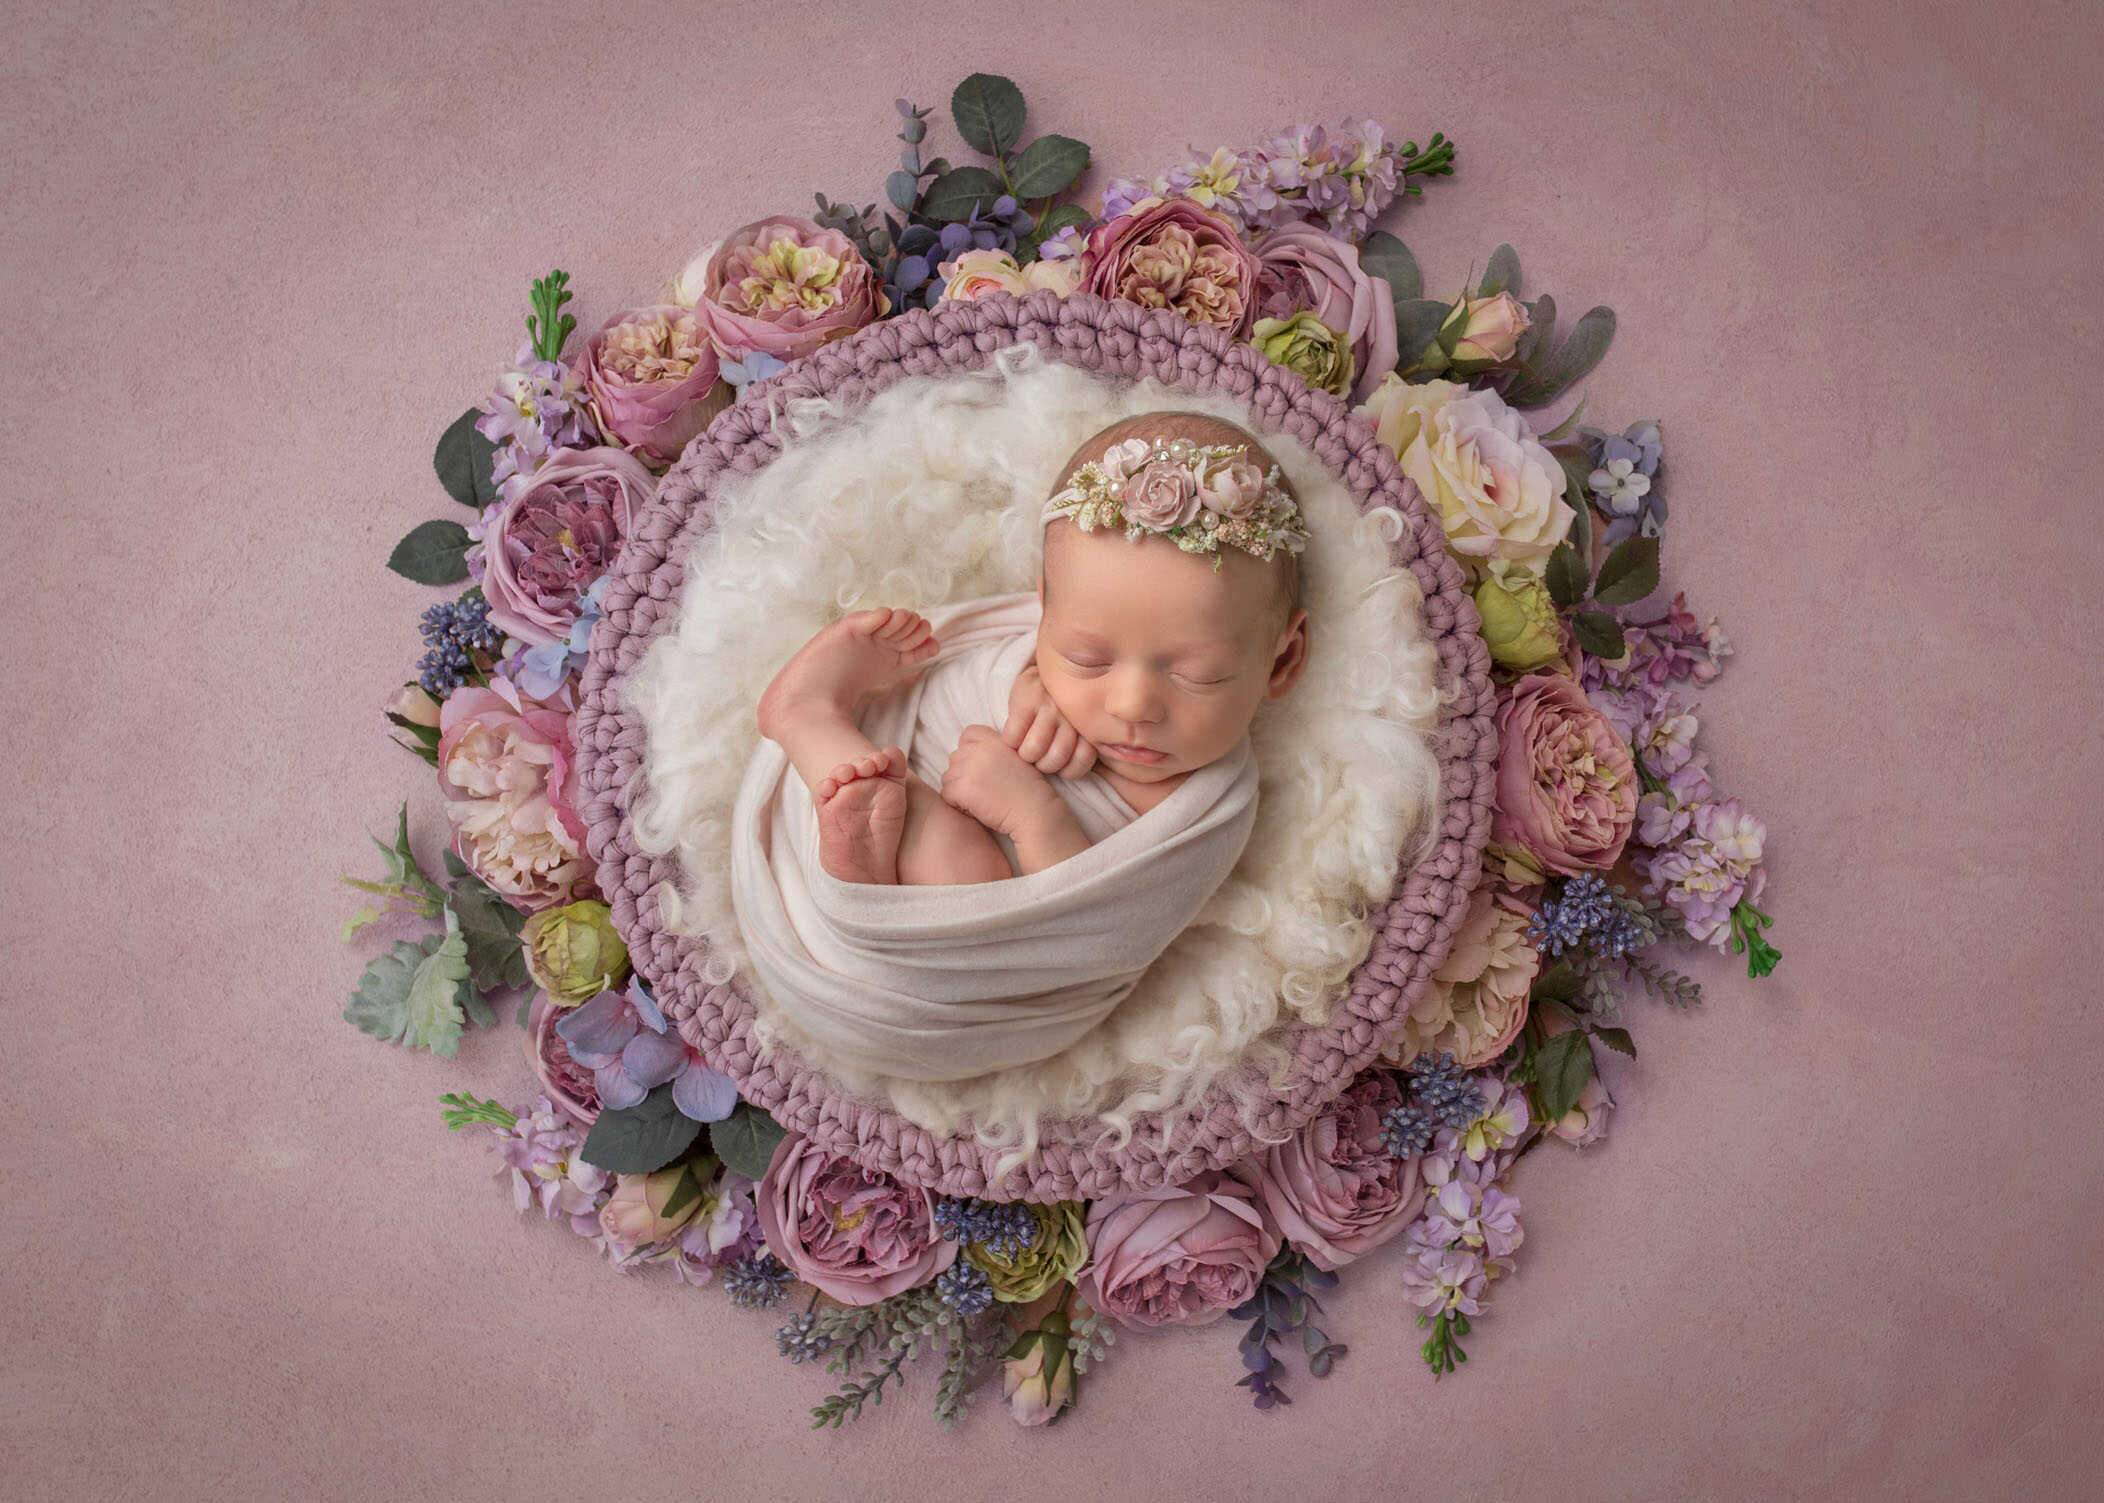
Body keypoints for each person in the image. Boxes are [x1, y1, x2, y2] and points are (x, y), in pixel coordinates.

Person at [753, 410, 1312, 886]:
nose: (1131, 704)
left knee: (968, 872)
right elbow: (962, 683)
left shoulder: (1213, 814)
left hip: (975, 964)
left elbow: (1100, 936)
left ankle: (863, 862)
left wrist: (1037, 818)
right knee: (909, 810)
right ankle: (811, 720)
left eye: (1200, 674)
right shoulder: (1030, 664)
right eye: (1088, 660)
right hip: (876, 804)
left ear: (1282, 661)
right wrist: (1018, 683)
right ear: (1044, 612)